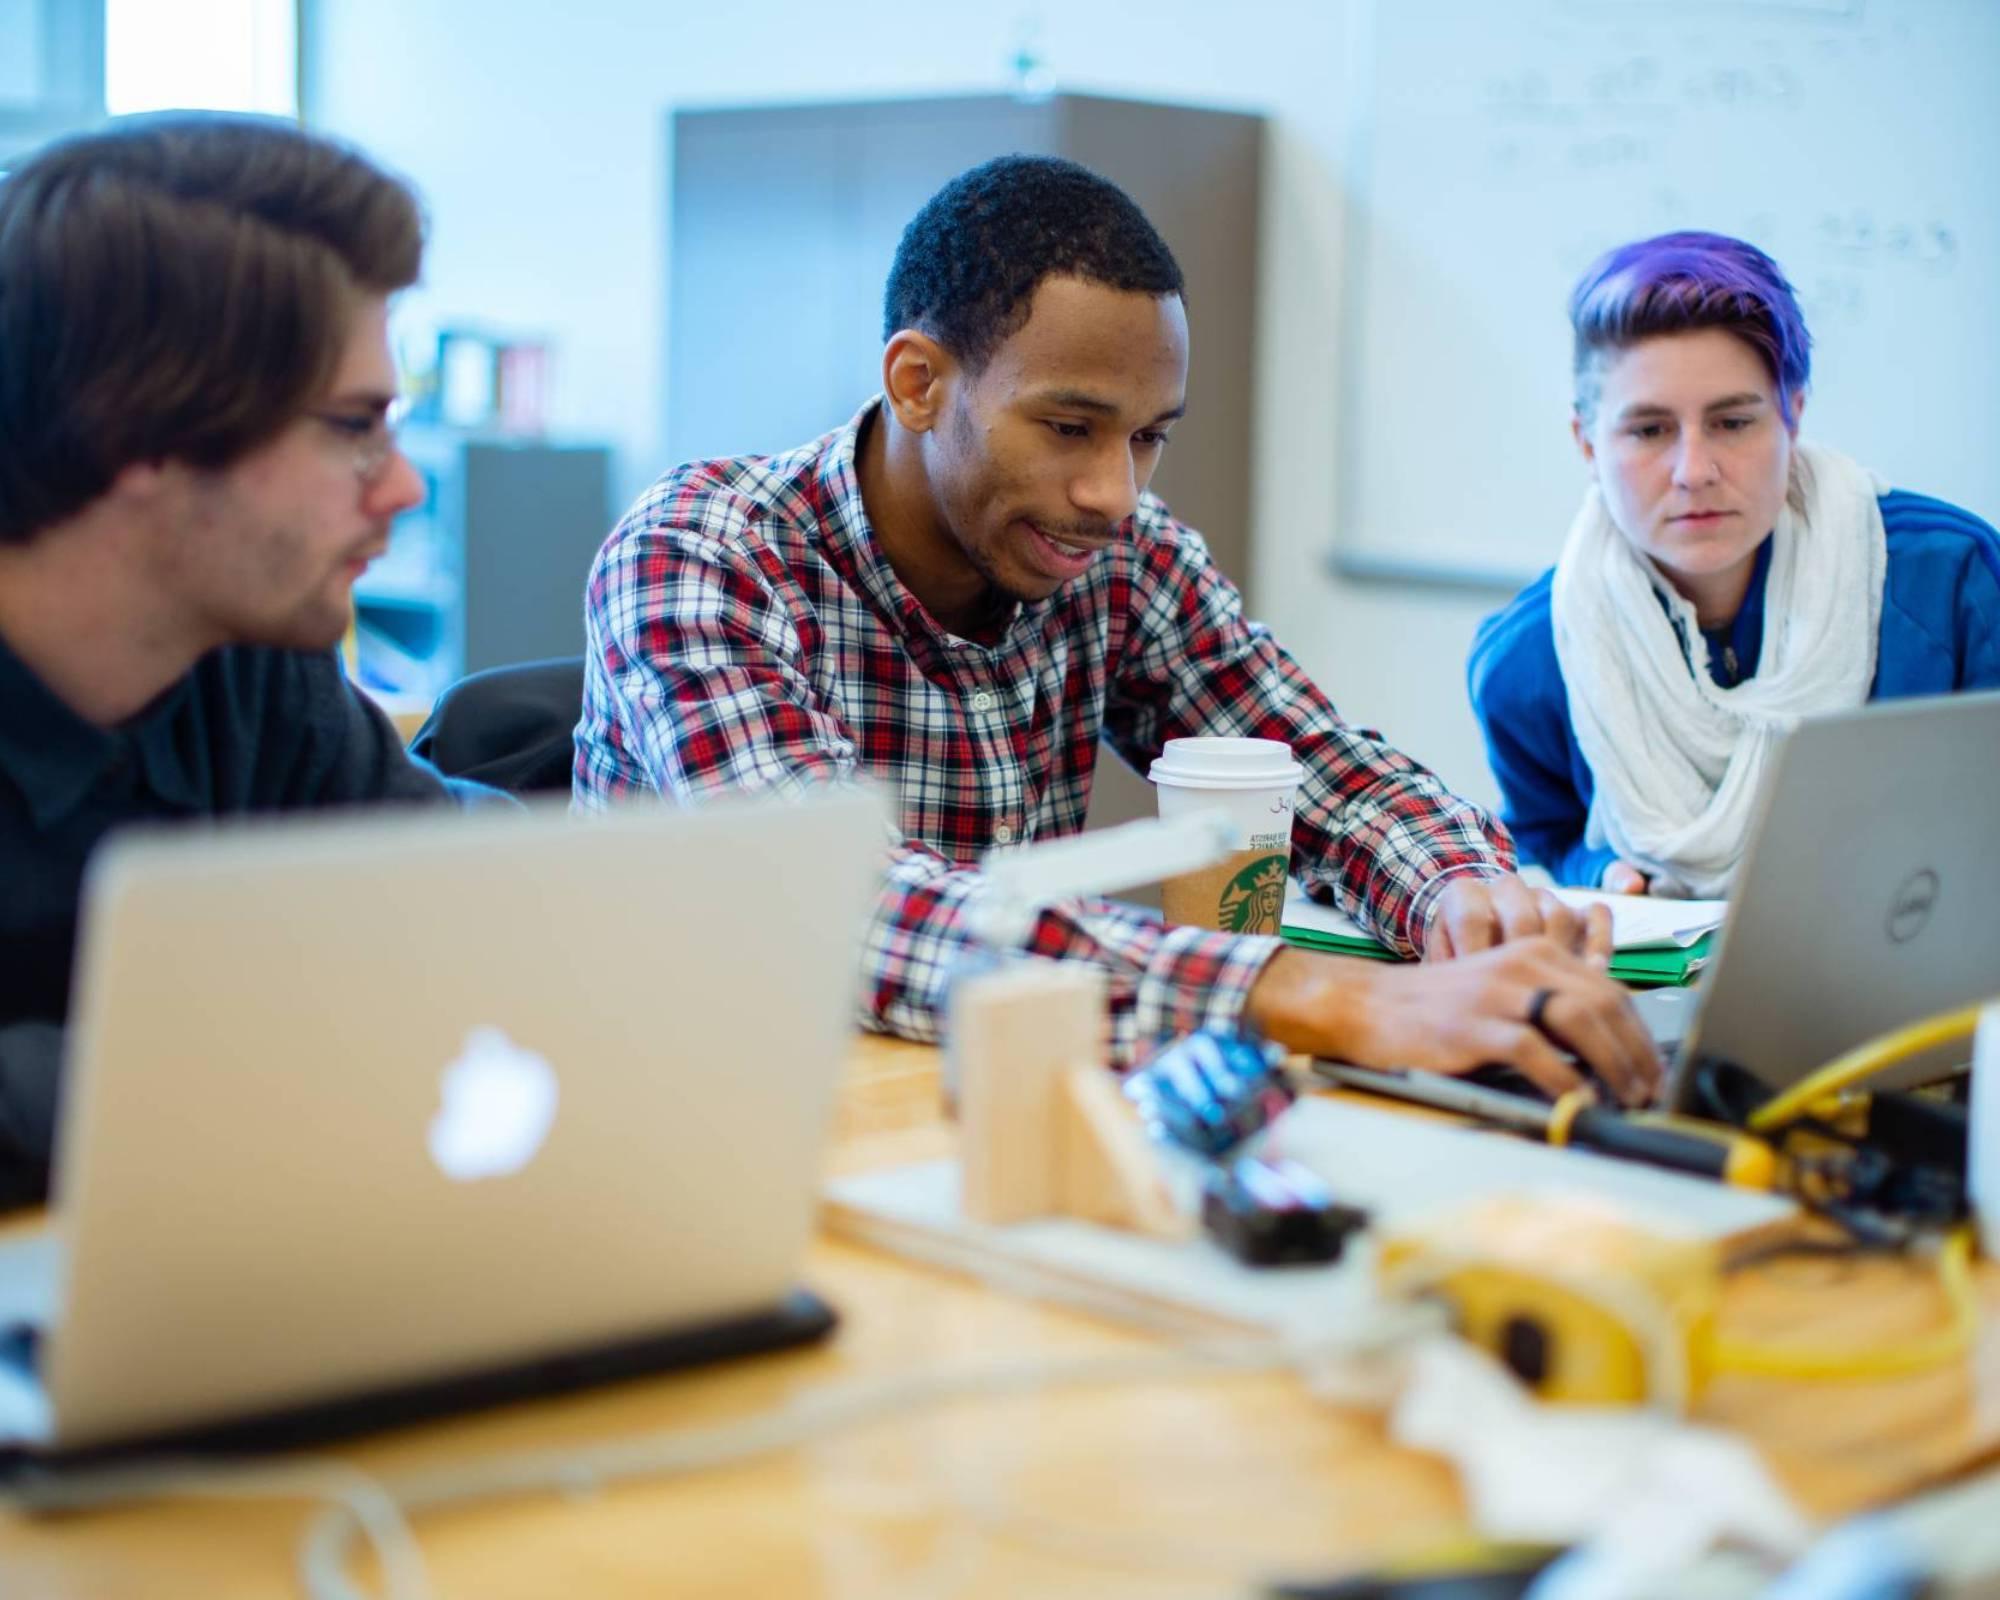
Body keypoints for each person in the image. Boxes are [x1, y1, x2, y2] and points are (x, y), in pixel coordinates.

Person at [577, 154, 1659, 1105]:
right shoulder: (700, 552)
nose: (1110, 491)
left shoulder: (1120, 557)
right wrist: (1330, 999)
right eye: (1068, 426)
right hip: (702, 1112)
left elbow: (1326, 772)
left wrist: (1464, 901)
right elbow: (836, 907)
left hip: (982, 1102)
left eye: (1147, 438)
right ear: (916, 382)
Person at [0, 114, 471, 1208]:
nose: (401, 486)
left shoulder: (249, 652)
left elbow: (448, 921)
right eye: (356, 425)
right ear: (140, 431)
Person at [1471, 232, 2000, 898]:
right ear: (1587, 442)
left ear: (1793, 415)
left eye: (1732, 422)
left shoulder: (1950, 580)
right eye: (1649, 430)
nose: (1694, 472)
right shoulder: (1526, 660)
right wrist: (1600, 870)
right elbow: (1546, 833)